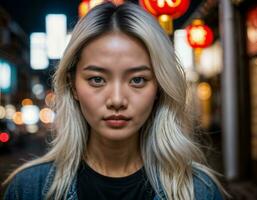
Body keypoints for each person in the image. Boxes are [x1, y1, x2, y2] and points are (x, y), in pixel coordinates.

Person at [3, 2, 227, 200]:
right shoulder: (29, 189)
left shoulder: (199, 190)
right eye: (97, 79)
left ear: (159, 86)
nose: (117, 100)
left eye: (137, 80)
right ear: (72, 86)